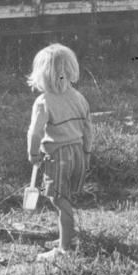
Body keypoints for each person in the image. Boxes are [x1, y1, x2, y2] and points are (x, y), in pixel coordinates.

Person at [26, 43, 92, 261]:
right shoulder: (79, 97)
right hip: (78, 154)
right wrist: (87, 153)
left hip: (59, 155)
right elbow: (88, 128)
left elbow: (35, 133)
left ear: (42, 74)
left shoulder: (44, 101)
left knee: (59, 201)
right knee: (66, 197)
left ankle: (64, 249)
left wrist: (33, 153)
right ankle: (66, 235)